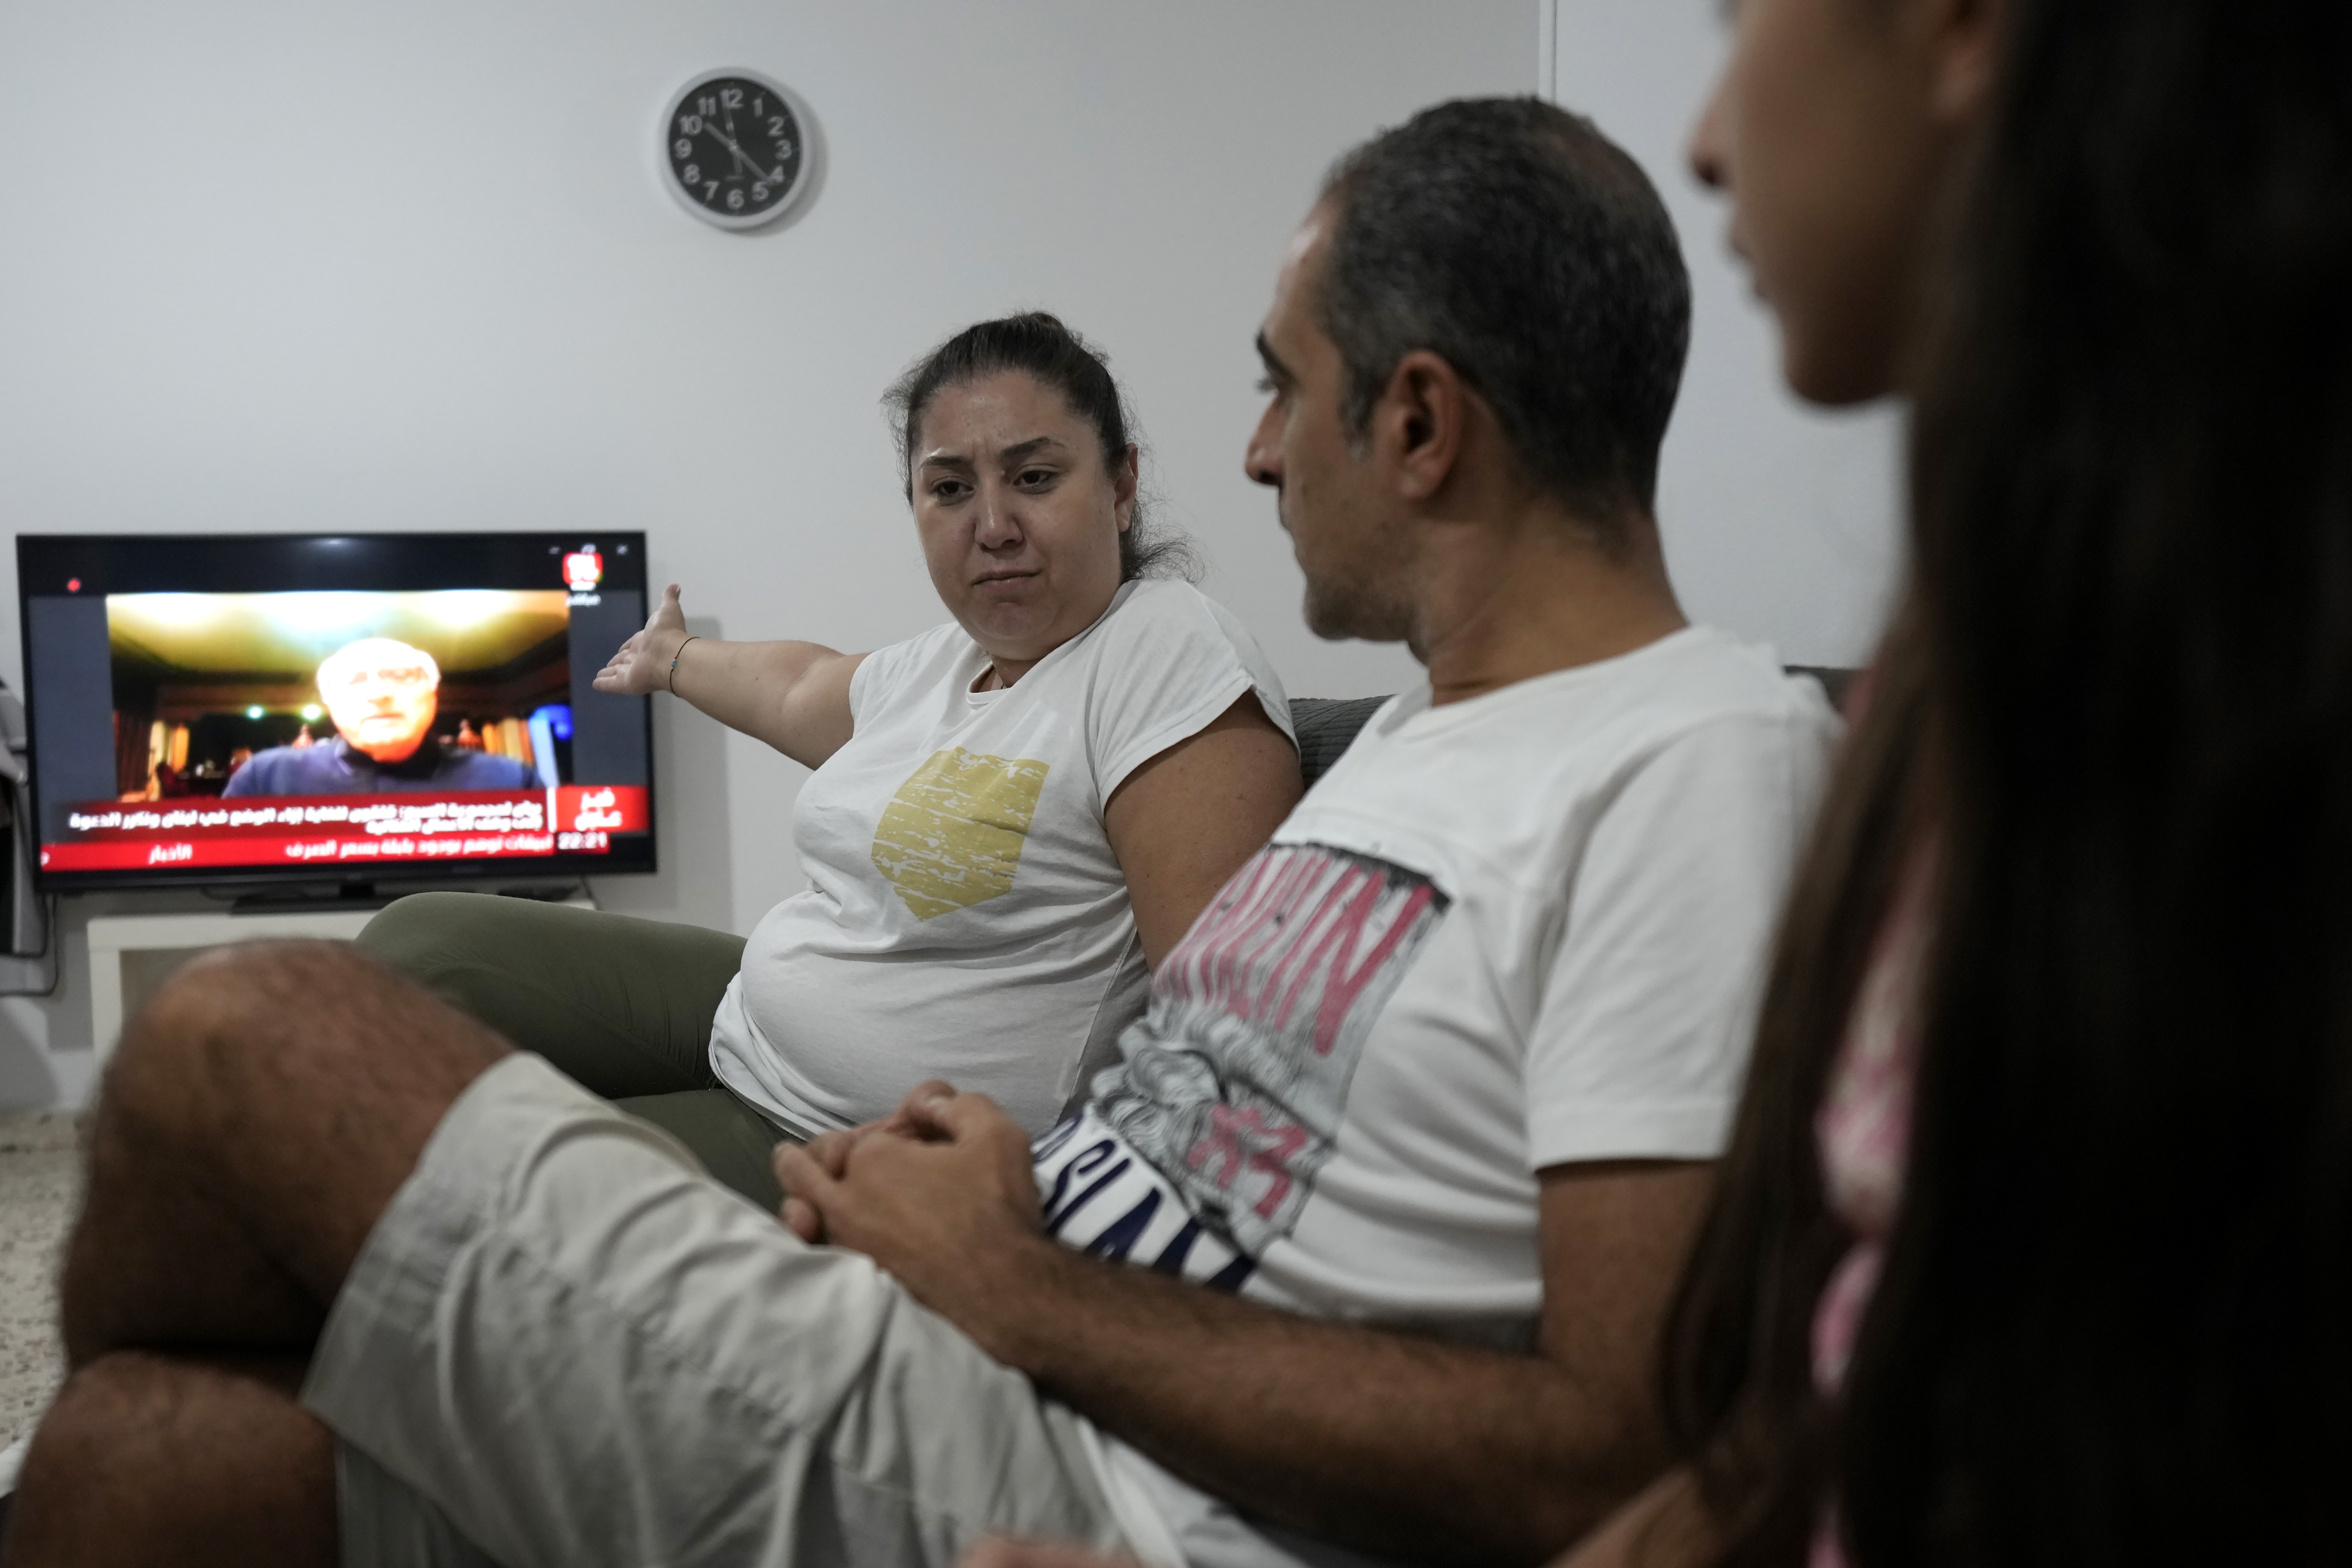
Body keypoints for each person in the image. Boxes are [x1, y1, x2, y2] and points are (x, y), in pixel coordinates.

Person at [3, 99, 1841, 1568]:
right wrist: (1016, 1184)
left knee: (239, 1031)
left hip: (1062, 1438)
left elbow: (1637, 1449)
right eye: (949, 488)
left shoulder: (1698, 763)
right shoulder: (1422, 745)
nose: (1263, 453)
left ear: (1421, 422)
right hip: (1005, 1301)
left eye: (1281, 384)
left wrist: (1019, 1285)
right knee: (138, 1460)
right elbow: (1200, 1069)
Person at [1539, 1, 2352, 1565]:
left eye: (1733, 23)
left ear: (1961, 24)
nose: (1705, 143)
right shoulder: (1984, 660)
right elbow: (1815, 1425)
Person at [357, 313, 1303, 1207]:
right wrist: (672, 659)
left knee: (483, 1180)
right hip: (749, 1025)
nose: (992, 525)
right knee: (423, 944)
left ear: (1121, 483)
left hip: (853, 1142)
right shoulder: (947, 663)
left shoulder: (1163, 652)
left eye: (1034, 477)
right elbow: (797, 687)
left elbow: (1222, 1039)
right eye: (949, 488)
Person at [223, 637, 539, 796]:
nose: (378, 694)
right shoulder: (265, 778)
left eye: (400, 676)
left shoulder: (511, 780)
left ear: (432, 693)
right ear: (330, 702)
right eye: (355, 681)